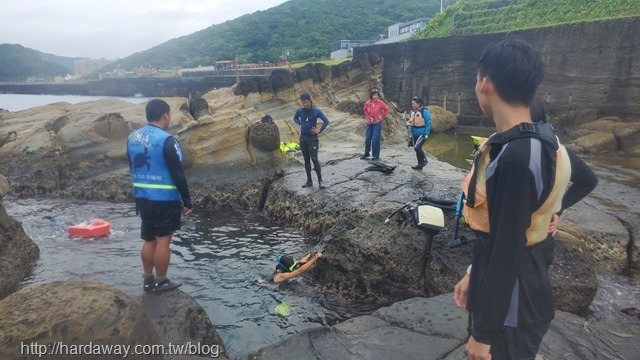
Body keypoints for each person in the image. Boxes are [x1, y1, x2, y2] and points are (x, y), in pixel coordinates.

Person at [452, 39, 575, 360]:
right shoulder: (543, 140)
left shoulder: (514, 158)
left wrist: (483, 334)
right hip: (524, 299)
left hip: (512, 313)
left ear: (485, 83)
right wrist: (473, 273)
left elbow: (506, 249)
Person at [127, 99, 193, 293]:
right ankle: (162, 281)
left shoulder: (132, 137)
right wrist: (187, 200)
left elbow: (131, 165)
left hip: (142, 197)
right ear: (165, 115)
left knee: (149, 240)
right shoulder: (166, 140)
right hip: (164, 199)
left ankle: (148, 279)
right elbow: (177, 172)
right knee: (163, 241)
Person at [529, 97, 598, 236]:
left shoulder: (506, 150)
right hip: (542, 235)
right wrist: (557, 209)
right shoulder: (561, 152)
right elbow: (589, 181)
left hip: (510, 237)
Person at [293, 93, 330, 189]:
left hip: (313, 139)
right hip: (303, 139)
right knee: (306, 160)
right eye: (303, 101)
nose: (304, 102)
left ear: (310, 101)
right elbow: (295, 118)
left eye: (306, 101)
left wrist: (319, 130)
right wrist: (300, 123)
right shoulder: (300, 111)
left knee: (314, 159)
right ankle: (309, 181)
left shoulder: (316, 111)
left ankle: (320, 181)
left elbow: (326, 121)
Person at [361, 89, 390, 161]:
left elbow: (387, 109)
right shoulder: (367, 103)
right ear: (371, 96)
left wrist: (381, 115)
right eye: (374, 95)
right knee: (368, 138)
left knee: (375, 139)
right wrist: (367, 116)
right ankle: (366, 153)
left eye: (377, 95)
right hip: (369, 122)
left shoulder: (380, 103)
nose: (375, 96)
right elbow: (365, 110)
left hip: (377, 122)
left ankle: (375, 155)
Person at [407, 96, 431, 170]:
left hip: (423, 134)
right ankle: (420, 164)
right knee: (417, 148)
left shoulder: (424, 111)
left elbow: (429, 122)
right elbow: (411, 123)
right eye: (412, 104)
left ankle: (424, 160)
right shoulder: (412, 112)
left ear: (418, 104)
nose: (413, 105)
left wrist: (426, 133)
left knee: (417, 147)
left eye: (414, 104)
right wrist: (410, 135)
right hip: (415, 133)